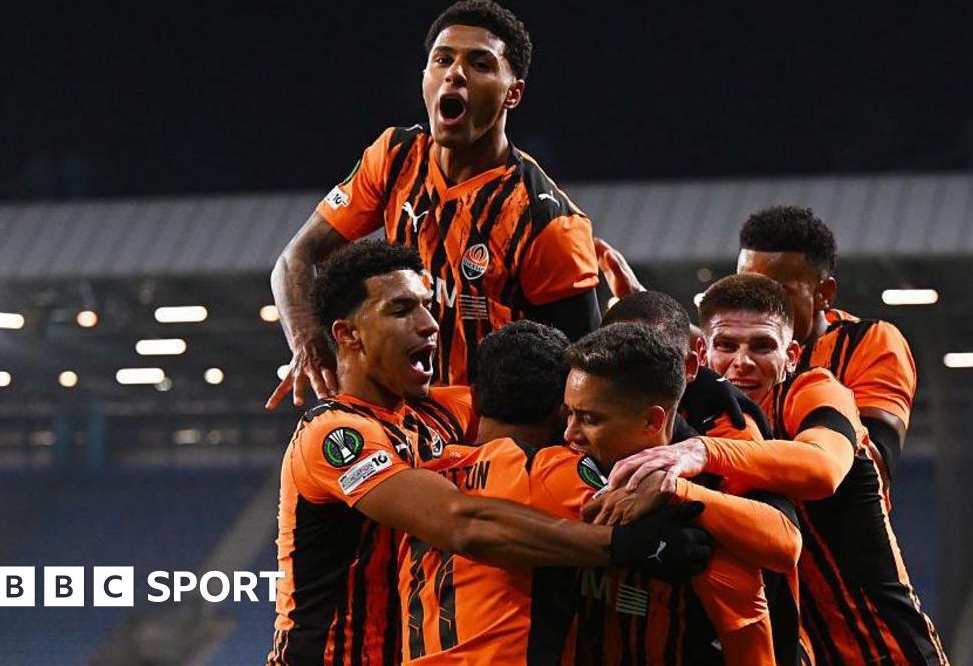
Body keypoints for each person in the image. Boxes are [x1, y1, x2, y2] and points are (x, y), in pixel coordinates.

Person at [267, 241, 708, 666]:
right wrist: (624, 545)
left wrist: (703, 387)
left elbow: (550, 388)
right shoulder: (334, 434)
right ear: (348, 334)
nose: (429, 323)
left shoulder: (440, 410)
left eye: (426, 305)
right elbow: (461, 523)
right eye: (402, 310)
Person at [401, 322, 800, 664]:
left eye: (589, 419)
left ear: (651, 420)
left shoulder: (705, 505)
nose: (570, 433)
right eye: (568, 413)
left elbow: (781, 552)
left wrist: (678, 490)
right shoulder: (551, 473)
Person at [269, 0, 600, 408]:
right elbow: (295, 258)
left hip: (486, 430)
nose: (455, 73)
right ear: (425, 77)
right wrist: (309, 340)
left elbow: (582, 374)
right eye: (442, 60)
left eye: (480, 64)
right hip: (402, 415)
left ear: (513, 94)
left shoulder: (547, 220)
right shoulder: (394, 157)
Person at [610, 274, 948, 666]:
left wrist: (703, 451)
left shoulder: (814, 392)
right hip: (807, 650)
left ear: (791, 356)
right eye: (726, 345)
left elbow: (823, 470)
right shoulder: (707, 417)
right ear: (702, 353)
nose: (742, 362)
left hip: (889, 649)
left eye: (762, 346)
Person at [737, 206, 917, 488]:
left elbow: (872, 469)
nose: (754, 302)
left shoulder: (869, 342)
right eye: (745, 286)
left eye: (776, 291)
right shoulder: (724, 350)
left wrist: (730, 453)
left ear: (824, 293)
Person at [600, 290, 769, 439]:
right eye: (620, 360)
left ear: (689, 367)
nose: (634, 377)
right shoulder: (586, 416)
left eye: (654, 361)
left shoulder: (732, 432)